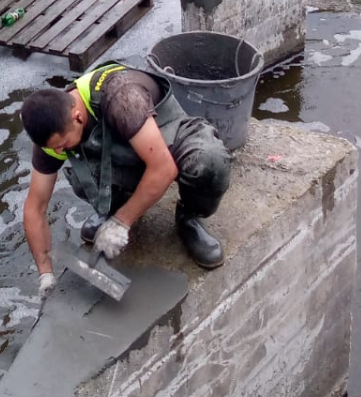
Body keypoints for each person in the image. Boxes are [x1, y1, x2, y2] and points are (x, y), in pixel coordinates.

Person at [20, 61, 232, 299]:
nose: (59, 153)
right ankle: (116, 205)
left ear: (78, 117)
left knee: (210, 164)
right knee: (84, 176)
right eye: (54, 149)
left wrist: (121, 223)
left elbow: (163, 168)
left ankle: (188, 217)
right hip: (126, 152)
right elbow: (35, 208)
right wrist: (45, 273)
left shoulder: (122, 96)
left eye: (62, 145)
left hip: (167, 139)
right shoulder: (52, 136)